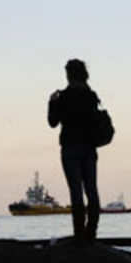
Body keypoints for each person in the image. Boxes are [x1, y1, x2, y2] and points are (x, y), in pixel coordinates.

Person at [48, 59, 101, 245]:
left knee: (76, 192)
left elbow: (53, 122)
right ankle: (91, 233)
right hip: (89, 147)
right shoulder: (91, 96)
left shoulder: (63, 96)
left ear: (68, 74)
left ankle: (79, 234)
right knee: (92, 190)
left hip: (70, 147)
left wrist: (51, 103)